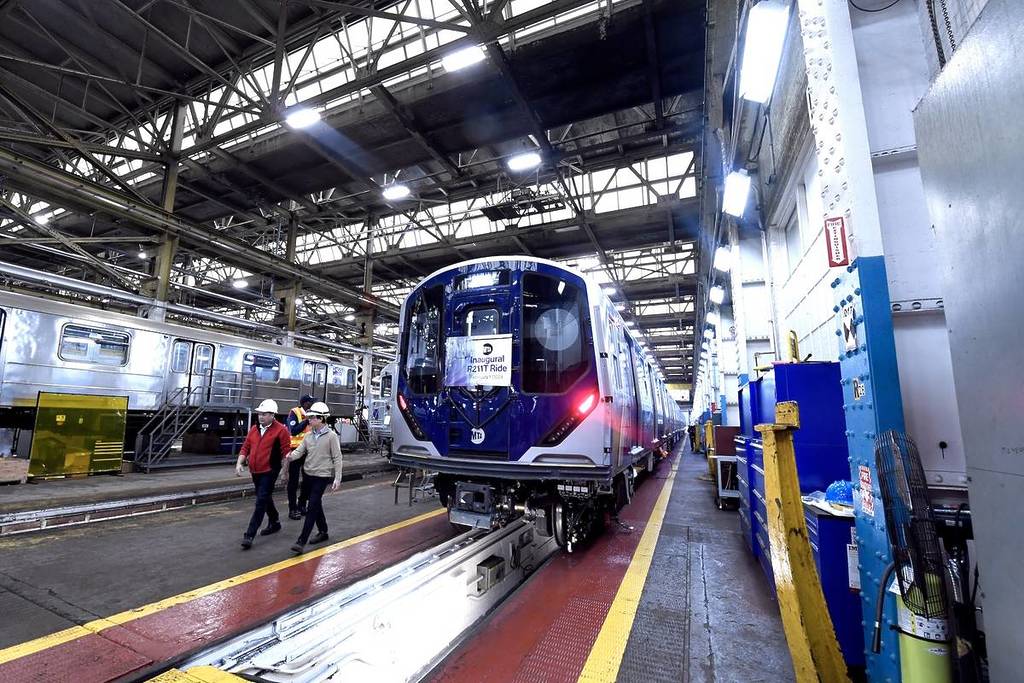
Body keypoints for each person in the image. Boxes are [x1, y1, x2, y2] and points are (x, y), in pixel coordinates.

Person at [284, 401, 342, 554]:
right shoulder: (308, 436)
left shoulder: (331, 437)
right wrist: (290, 457)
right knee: (316, 504)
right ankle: (323, 531)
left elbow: (337, 458)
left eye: (312, 417)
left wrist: (338, 478)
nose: (309, 419)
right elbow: (300, 451)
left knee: (311, 507)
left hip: (321, 477)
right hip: (308, 474)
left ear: (322, 419)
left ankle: (301, 541)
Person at [235, 399, 291, 549]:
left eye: (264, 414)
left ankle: (249, 535)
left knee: (260, 501)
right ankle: (275, 521)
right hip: (255, 471)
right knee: (265, 497)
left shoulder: (281, 430)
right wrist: (239, 463)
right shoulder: (254, 429)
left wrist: (285, 472)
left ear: (273, 415)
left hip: (270, 471)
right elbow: (245, 447)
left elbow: (286, 453)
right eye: (260, 414)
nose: (261, 417)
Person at [285, 394, 315, 519]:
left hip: (308, 452)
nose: (312, 404)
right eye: (310, 402)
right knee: (293, 481)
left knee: (308, 480)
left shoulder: (313, 415)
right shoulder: (294, 412)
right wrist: (306, 421)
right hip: (295, 451)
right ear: (305, 403)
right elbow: (293, 430)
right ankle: (292, 509)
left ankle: (302, 504)